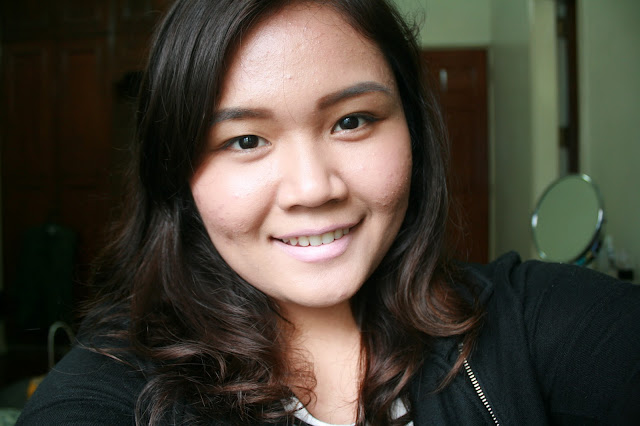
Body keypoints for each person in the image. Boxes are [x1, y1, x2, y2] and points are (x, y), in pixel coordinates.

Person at [17, 0, 640, 424]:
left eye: (352, 121)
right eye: (245, 140)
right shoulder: (118, 389)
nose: (313, 189)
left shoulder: (528, 323)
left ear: (412, 131)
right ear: (178, 174)